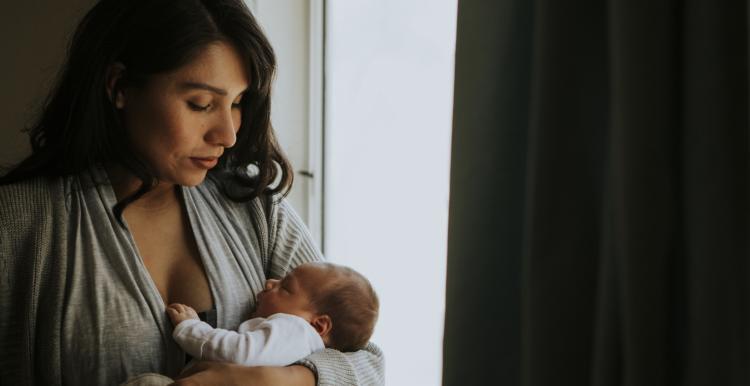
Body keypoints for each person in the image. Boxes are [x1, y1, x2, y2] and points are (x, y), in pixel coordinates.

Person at [0, 1, 384, 385]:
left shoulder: (253, 207)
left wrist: (274, 380)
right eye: (201, 104)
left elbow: (365, 363)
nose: (228, 134)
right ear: (119, 86)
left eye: (237, 103)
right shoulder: (20, 222)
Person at [168, 262, 378, 368]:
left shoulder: (297, 331)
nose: (270, 282)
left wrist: (192, 329)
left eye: (285, 287)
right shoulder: (304, 344)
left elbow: (239, 353)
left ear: (319, 325)